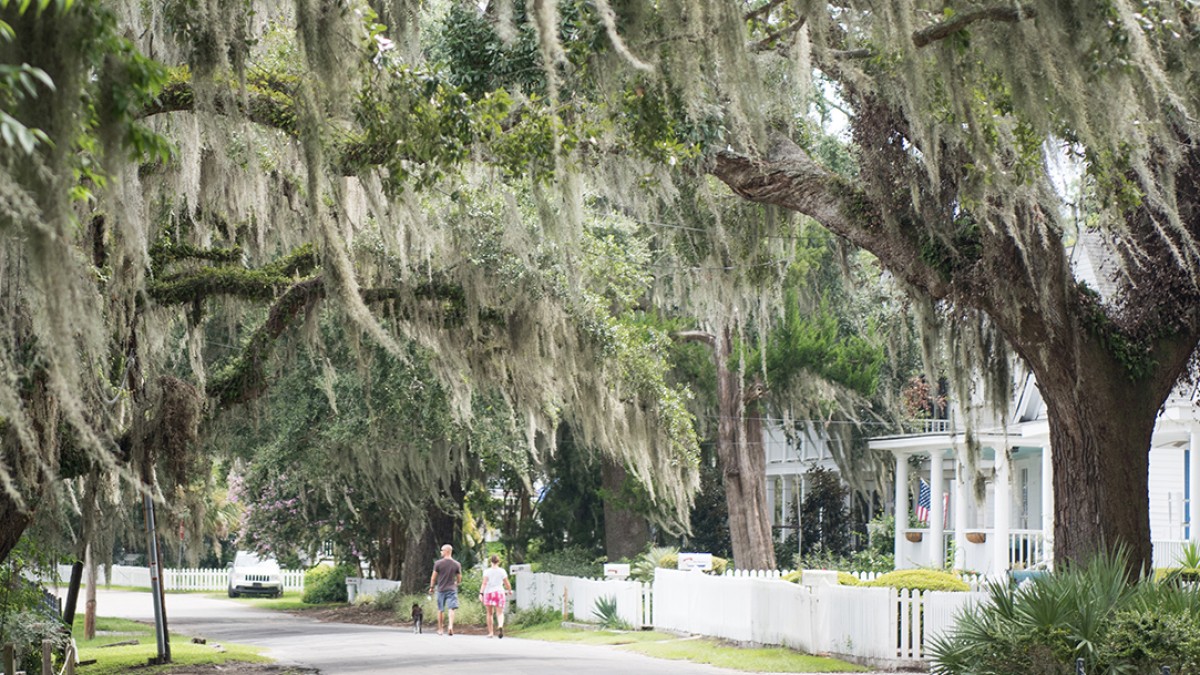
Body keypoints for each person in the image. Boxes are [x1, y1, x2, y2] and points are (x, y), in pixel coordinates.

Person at [428, 544, 462, 636]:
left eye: (442, 550)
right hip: (452, 589)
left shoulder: (438, 563)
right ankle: (450, 626)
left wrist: (431, 587)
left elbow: (433, 578)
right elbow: (459, 579)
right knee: (451, 608)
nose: (441, 552)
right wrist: (456, 583)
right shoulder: (457, 564)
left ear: (447, 551)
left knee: (440, 609)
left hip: (441, 589)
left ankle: (441, 629)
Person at [479, 554, 512, 638]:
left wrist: (481, 593)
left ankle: (491, 633)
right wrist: (509, 590)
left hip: (488, 593)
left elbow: (484, 583)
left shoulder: (487, 571)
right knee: (500, 613)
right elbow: (506, 582)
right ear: (498, 562)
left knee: (489, 613)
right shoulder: (502, 571)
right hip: (499, 592)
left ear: (491, 561)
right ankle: (500, 625)